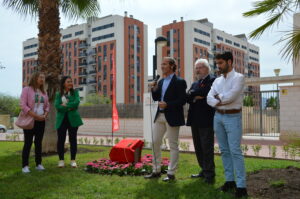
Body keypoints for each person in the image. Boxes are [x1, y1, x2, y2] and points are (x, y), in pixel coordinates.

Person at [207, 51, 247, 198]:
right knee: (224, 150)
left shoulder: (239, 78)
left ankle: (242, 186)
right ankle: (230, 181)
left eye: (221, 63)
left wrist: (218, 97)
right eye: (217, 63)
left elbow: (231, 97)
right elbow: (208, 98)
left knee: (235, 151)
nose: (218, 66)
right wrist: (219, 99)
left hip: (233, 117)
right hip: (218, 117)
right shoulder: (217, 81)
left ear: (230, 62)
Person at [144, 57, 187, 182]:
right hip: (160, 115)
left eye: (164, 64)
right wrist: (153, 88)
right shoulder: (161, 81)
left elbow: (182, 100)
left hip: (172, 116)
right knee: (155, 142)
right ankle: (156, 170)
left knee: (172, 145)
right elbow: (157, 98)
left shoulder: (180, 81)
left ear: (172, 66)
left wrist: (168, 104)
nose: (162, 66)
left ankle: (171, 173)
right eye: (161, 64)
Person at [186, 58, 216, 184]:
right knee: (198, 147)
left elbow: (206, 92)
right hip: (195, 120)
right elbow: (187, 96)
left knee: (207, 148)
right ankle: (203, 170)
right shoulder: (195, 83)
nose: (198, 70)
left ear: (207, 68)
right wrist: (195, 96)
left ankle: (210, 174)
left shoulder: (213, 80)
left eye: (200, 67)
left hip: (206, 120)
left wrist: (195, 95)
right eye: (196, 68)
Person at [20, 72, 49, 173]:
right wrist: (35, 116)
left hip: (41, 121)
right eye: (40, 77)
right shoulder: (26, 90)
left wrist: (44, 115)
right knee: (28, 143)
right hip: (30, 120)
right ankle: (25, 166)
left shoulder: (44, 92)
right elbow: (23, 105)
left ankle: (38, 164)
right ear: (35, 78)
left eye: (43, 77)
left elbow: (47, 106)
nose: (42, 79)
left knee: (38, 143)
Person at [55, 76, 83, 168]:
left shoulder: (75, 92)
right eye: (68, 81)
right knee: (61, 140)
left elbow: (77, 102)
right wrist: (70, 107)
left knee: (73, 140)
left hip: (73, 120)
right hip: (62, 120)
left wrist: (65, 105)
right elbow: (57, 105)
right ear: (63, 83)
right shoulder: (59, 94)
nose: (70, 83)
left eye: (71, 81)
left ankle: (73, 160)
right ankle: (61, 160)